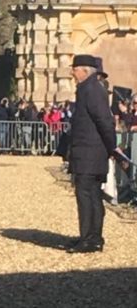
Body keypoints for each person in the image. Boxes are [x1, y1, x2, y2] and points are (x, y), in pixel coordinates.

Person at [66, 55, 117, 254]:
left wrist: (112, 146)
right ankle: (91, 236)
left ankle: (90, 238)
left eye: (74, 69)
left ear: (85, 70)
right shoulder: (88, 89)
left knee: (87, 195)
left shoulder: (92, 89)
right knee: (91, 195)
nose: (72, 72)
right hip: (89, 151)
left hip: (90, 151)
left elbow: (104, 120)